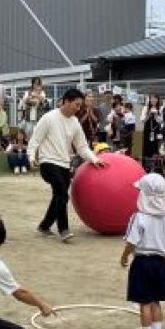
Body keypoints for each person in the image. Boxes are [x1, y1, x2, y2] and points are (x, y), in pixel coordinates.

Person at [27, 88, 106, 242]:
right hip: (48, 162)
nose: (78, 108)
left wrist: (95, 159)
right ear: (66, 101)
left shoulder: (75, 122)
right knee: (62, 194)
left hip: (64, 164)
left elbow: (82, 147)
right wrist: (31, 156)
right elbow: (35, 139)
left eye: (80, 106)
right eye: (76, 105)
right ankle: (63, 229)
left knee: (58, 195)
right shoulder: (48, 118)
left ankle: (44, 225)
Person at [119, 173, 165, 329]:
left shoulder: (139, 217)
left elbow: (132, 241)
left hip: (143, 263)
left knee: (144, 302)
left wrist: (124, 256)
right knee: (155, 301)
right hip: (160, 263)